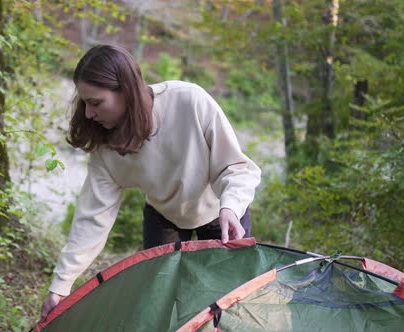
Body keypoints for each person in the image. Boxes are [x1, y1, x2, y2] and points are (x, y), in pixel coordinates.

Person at [40, 44, 261, 319]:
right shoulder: (104, 147)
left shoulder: (189, 101)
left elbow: (237, 168)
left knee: (228, 303)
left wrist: (231, 207)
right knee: (160, 304)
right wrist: (61, 285)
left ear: (126, 91)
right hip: (163, 217)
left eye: (96, 103)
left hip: (223, 213)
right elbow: (92, 219)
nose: (87, 113)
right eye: (84, 102)